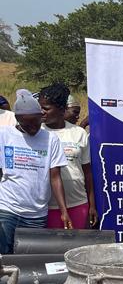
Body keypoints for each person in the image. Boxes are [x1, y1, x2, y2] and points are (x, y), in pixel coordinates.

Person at [0, 90, 70, 254]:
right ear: (17, 119)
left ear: (41, 116)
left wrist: (64, 211)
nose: (33, 128)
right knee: (3, 259)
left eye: (36, 123)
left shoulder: (50, 139)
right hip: (7, 209)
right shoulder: (4, 135)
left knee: (29, 263)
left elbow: (55, 177)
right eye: (27, 124)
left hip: (36, 215)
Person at [39, 82, 97, 229]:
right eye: (40, 107)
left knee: (76, 249)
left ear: (61, 109)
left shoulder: (79, 133)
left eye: (46, 108)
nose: (41, 112)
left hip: (78, 202)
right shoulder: (37, 132)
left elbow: (87, 172)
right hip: (47, 206)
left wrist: (92, 205)